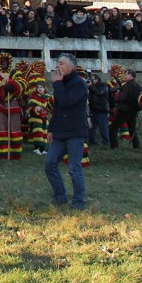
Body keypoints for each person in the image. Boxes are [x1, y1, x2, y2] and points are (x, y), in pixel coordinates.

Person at [44, 54, 88, 209]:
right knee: (49, 164)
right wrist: (51, 129)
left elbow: (66, 101)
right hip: (60, 131)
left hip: (75, 131)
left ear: (71, 67)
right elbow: (57, 108)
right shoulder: (61, 83)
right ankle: (60, 196)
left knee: (74, 168)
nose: (58, 66)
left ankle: (78, 202)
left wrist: (57, 84)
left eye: (61, 63)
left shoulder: (78, 84)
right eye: (57, 63)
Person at [111, 67, 142, 149]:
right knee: (132, 129)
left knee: (113, 128)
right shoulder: (137, 85)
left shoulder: (128, 85)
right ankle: (136, 145)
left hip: (125, 110)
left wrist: (117, 93)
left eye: (126, 74)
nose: (125, 76)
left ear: (131, 75)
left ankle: (114, 146)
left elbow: (122, 97)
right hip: (134, 110)